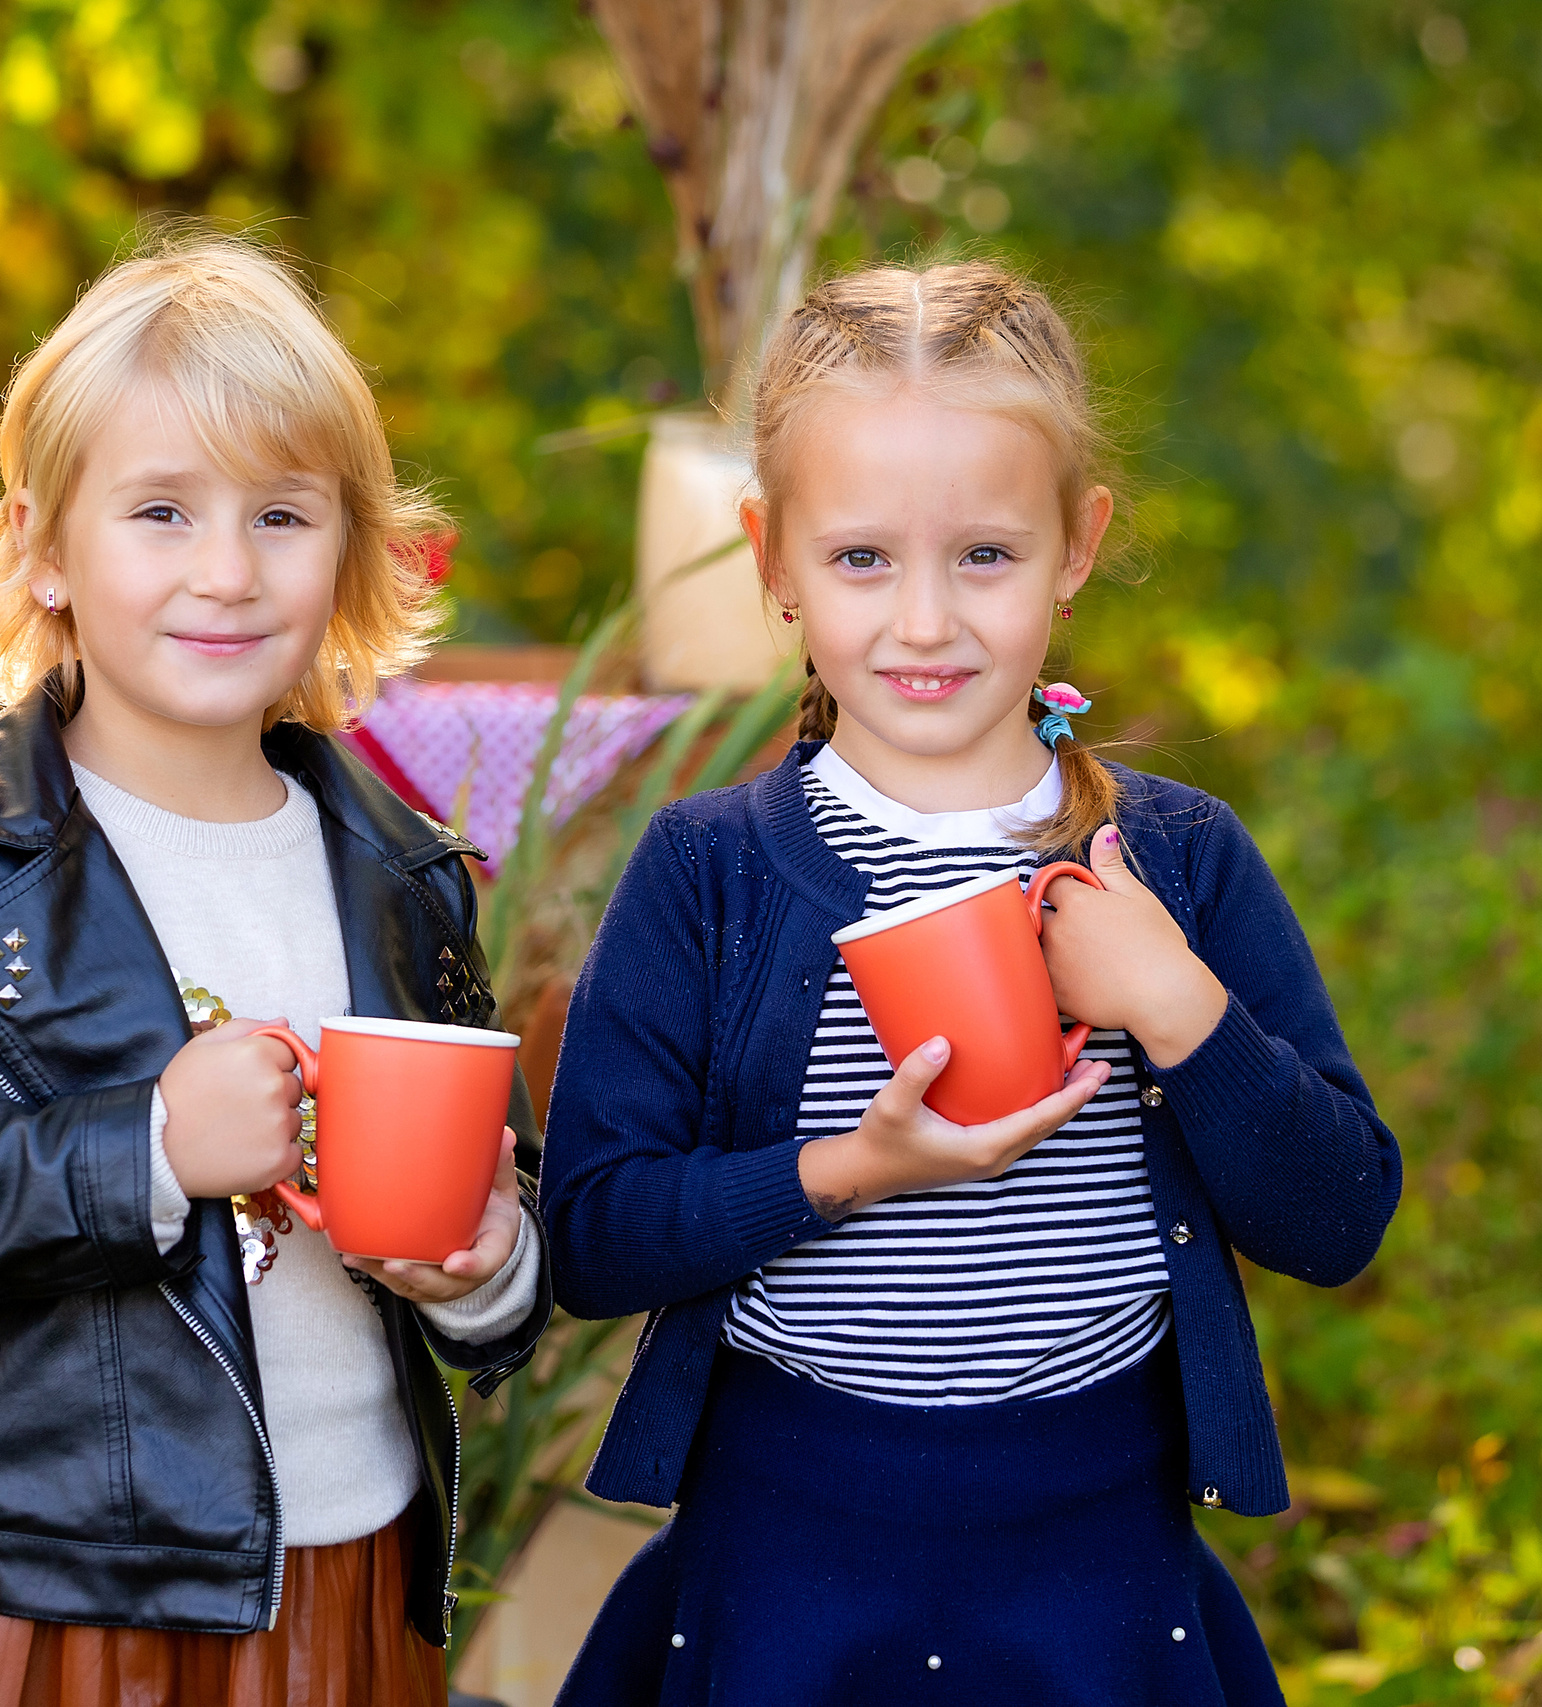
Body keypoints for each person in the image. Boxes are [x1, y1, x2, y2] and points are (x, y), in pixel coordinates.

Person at [541, 259, 1401, 1706]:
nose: (926, 622)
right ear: (773, 559)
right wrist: (835, 1173)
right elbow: (593, 1235)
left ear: (1078, 544)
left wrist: (1176, 1003)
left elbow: (1338, 1218)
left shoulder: (1174, 863)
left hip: (1095, 1568)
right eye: (864, 559)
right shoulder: (710, 871)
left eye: (986, 557)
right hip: (784, 1551)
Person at [0, 230, 549, 1707]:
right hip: (58, 1598)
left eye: (283, 517)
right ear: (46, 547)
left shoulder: (403, 875)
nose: (228, 573)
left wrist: (485, 1266)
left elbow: (506, 1240)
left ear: (354, 548)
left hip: (350, 1572)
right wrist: (146, 1148)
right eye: (164, 513)